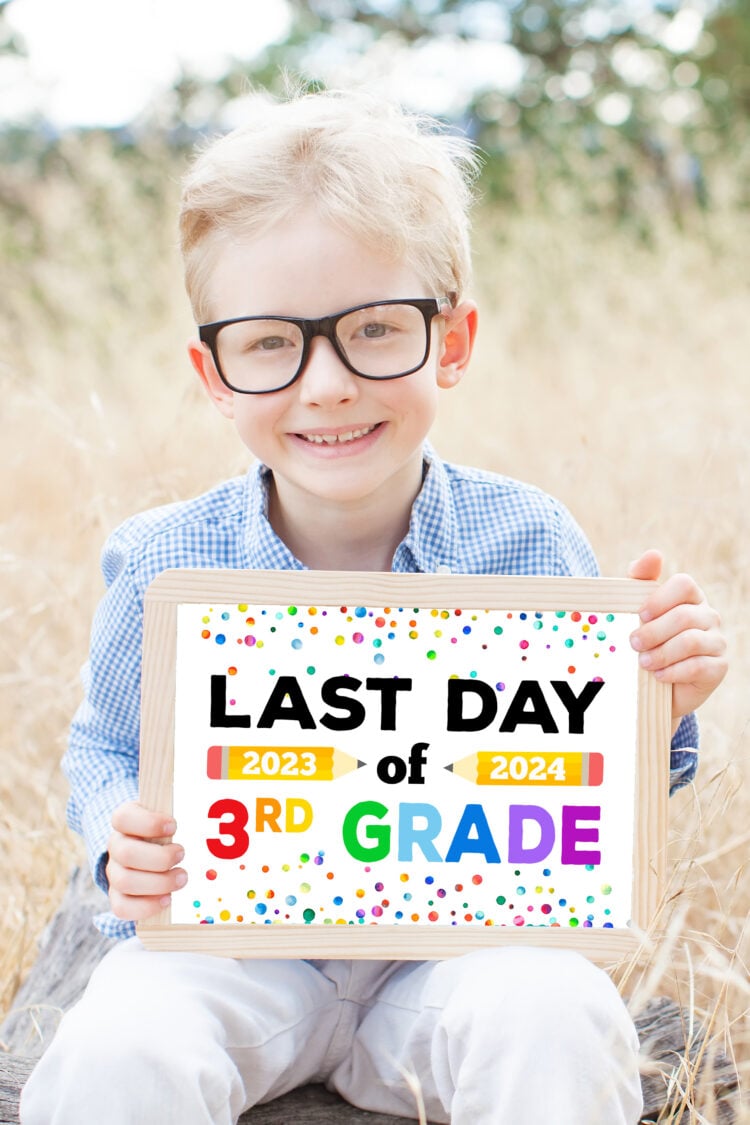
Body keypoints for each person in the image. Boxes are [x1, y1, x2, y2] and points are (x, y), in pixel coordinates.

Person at [20, 87, 727, 1125]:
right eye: (269, 344)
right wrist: (115, 834)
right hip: (233, 956)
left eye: (375, 331)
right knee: (117, 1044)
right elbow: (103, 749)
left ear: (451, 340)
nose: (328, 385)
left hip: (453, 962)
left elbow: (606, 781)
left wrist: (662, 699)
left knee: (558, 1010)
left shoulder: (526, 542)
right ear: (211, 372)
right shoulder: (167, 561)